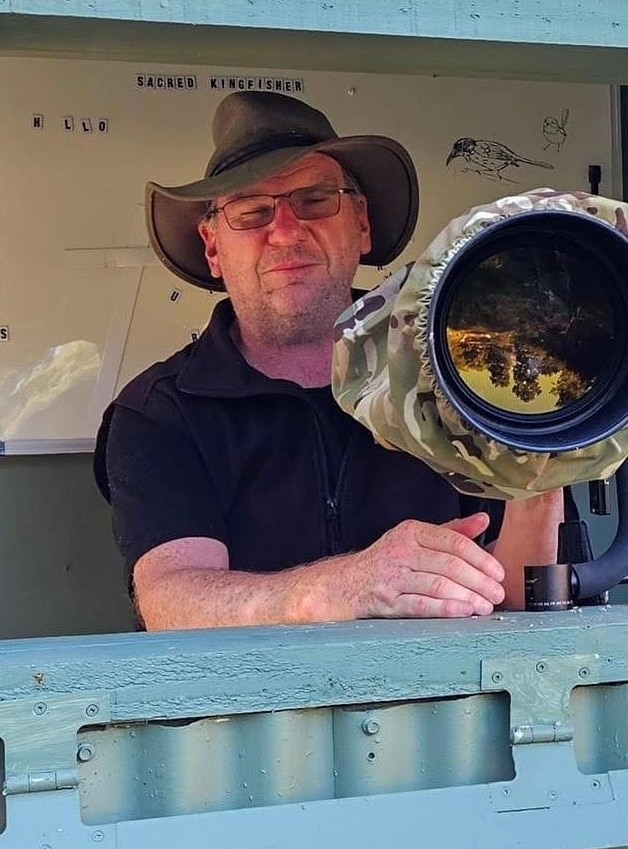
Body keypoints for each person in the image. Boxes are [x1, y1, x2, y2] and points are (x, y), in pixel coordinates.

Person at [93, 91, 564, 630]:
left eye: (316, 200)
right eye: (250, 212)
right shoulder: (162, 411)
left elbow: (524, 594)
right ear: (213, 247)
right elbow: (172, 600)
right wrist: (346, 585)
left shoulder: (466, 370)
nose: (287, 232)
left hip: (445, 708)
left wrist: (547, 462)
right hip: (255, 713)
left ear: (360, 223)